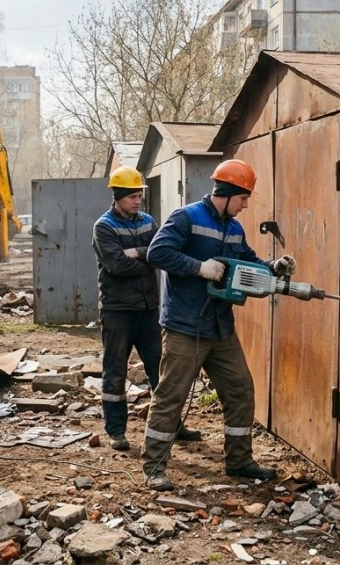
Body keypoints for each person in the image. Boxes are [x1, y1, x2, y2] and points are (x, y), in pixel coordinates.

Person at [140, 159, 297, 490]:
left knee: (240, 390)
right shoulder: (187, 217)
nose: (246, 205)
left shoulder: (234, 228)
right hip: (184, 325)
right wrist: (199, 268)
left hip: (220, 327)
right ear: (226, 193)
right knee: (171, 395)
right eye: (243, 198)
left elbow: (247, 261)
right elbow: (157, 252)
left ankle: (239, 461)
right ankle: (154, 466)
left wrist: (273, 266)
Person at [92, 167, 201, 451]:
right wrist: (145, 257)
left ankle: (172, 426)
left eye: (139, 195)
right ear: (117, 196)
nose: (137, 201)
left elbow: (160, 254)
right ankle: (116, 431)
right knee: (115, 371)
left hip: (148, 308)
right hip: (117, 311)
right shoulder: (103, 227)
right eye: (132, 196)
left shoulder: (149, 221)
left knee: (160, 370)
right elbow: (116, 265)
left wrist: (138, 253)